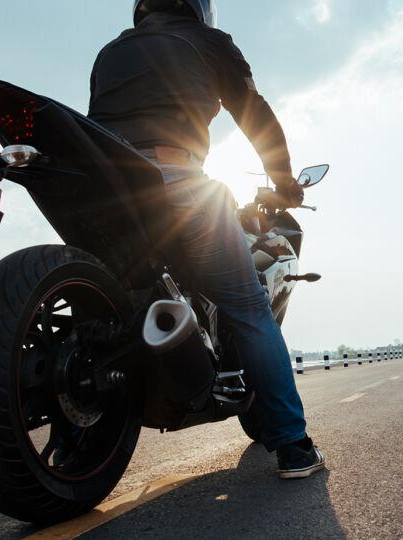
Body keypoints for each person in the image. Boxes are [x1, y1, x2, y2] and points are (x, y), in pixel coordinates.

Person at [88, 0, 324, 479]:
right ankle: (294, 447)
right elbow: (254, 114)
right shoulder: (211, 43)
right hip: (178, 183)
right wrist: (284, 182)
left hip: (104, 196)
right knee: (250, 305)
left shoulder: (110, 52)